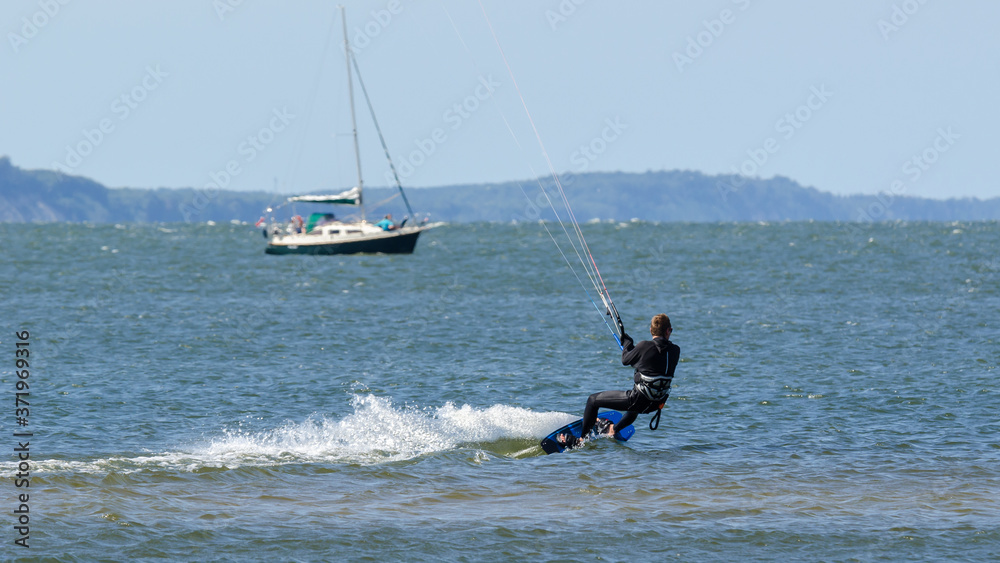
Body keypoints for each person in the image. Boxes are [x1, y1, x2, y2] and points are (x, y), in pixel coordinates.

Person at [559, 313, 680, 448]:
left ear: (651, 330)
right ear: (668, 330)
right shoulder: (675, 350)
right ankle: (613, 430)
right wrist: (632, 348)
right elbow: (653, 360)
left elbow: (626, 360)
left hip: (637, 400)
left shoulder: (644, 346)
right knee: (636, 406)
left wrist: (627, 343)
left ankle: (581, 441)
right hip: (654, 405)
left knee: (592, 400)